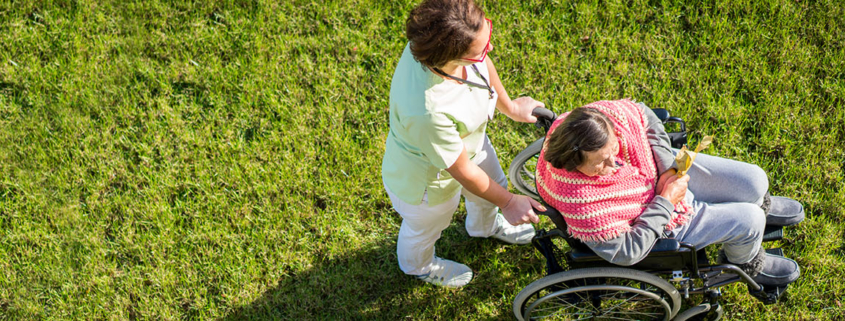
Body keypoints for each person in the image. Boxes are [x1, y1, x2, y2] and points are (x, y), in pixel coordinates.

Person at [535, 99, 803, 287]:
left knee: (756, 179)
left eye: (614, 150)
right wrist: (665, 201)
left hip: (659, 168)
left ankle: (754, 207)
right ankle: (745, 263)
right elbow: (627, 251)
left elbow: (643, 114)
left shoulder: (594, 119)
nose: (615, 163)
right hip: (661, 221)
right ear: (574, 164)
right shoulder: (584, 205)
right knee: (751, 220)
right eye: (600, 163)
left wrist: (666, 170)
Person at [381, 0, 548, 288]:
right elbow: (463, 171)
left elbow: (482, 65)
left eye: (488, 35)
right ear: (451, 56)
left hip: (469, 143)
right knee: (428, 226)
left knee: (494, 183)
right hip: (426, 183)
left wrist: (509, 106)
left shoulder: (436, 47)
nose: (490, 50)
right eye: (481, 49)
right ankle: (418, 266)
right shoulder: (427, 111)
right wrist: (509, 203)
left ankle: (484, 227)